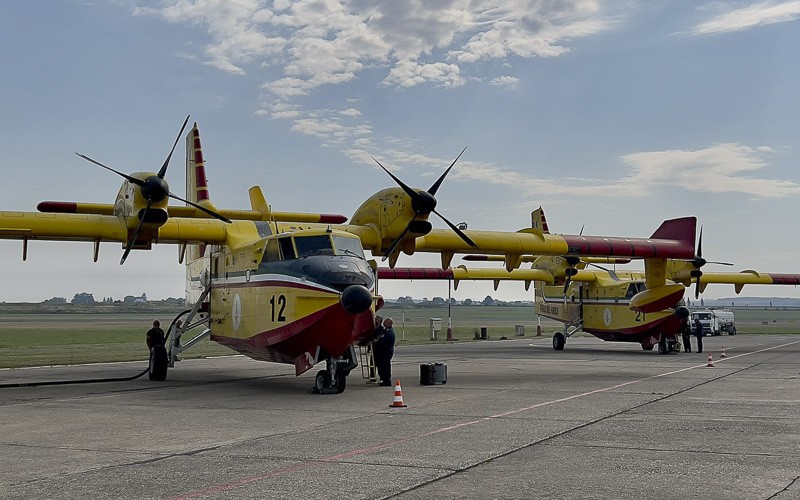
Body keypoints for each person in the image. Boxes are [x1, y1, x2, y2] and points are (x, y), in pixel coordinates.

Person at [373, 317, 396, 386]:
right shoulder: (385, 330)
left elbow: (382, 341)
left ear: (389, 323)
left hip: (385, 352)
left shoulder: (388, 332)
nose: (384, 323)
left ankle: (386, 381)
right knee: (381, 366)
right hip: (383, 352)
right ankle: (383, 379)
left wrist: (375, 342)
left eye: (385, 322)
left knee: (385, 367)